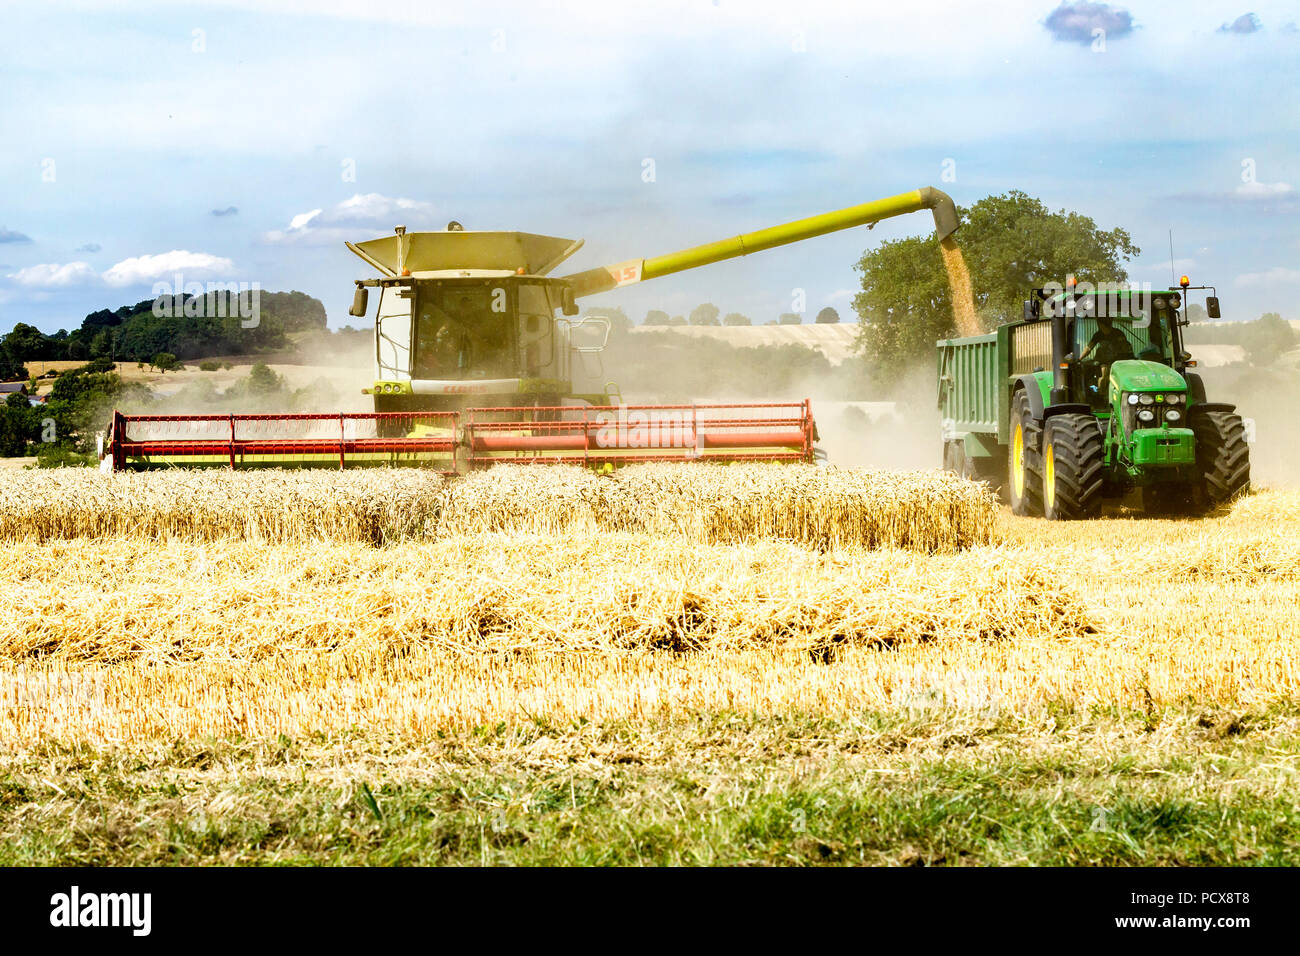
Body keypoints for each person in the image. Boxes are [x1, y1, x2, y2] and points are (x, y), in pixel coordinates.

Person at [1079, 315, 1133, 392]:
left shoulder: (1118, 333)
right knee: (1103, 374)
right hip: (1103, 360)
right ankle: (1101, 393)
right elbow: (1088, 348)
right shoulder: (1098, 334)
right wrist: (1079, 359)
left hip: (1117, 362)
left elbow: (1125, 347)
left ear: (1102, 324)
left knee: (1111, 375)